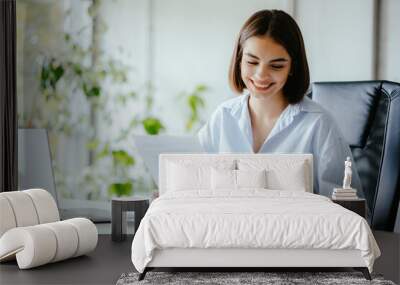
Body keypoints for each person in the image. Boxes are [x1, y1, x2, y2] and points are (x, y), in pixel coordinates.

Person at [197, 9, 364, 201]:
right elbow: (198, 187)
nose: (261, 75)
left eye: (276, 66)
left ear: (293, 67)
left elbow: (349, 211)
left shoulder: (318, 124)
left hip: (297, 229)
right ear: (239, 60)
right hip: (231, 227)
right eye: (252, 61)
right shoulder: (223, 117)